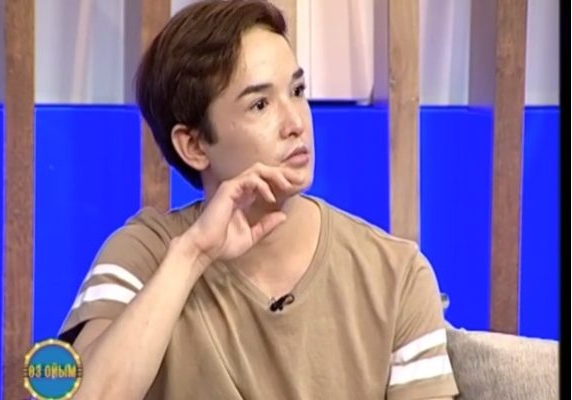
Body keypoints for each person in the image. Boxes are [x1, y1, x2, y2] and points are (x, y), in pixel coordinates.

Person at [59, 1, 459, 399]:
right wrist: (193, 255)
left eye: (297, 91)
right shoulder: (144, 256)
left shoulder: (396, 276)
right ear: (194, 145)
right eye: (260, 104)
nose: (296, 123)